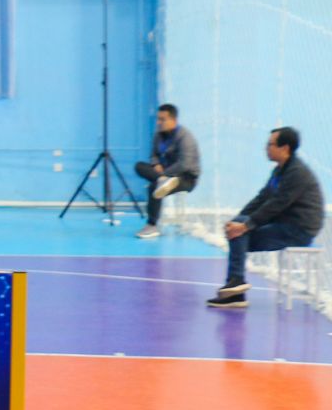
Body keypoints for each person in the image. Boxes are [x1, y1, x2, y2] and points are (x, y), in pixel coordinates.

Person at [207, 127, 323, 310]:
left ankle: (235, 288)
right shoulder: (280, 170)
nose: (266, 148)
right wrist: (237, 221)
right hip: (285, 223)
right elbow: (262, 198)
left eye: (270, 144)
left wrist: (246, 225)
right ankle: (235, 286)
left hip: (299, 230)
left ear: (285, 148)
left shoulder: (297, 173)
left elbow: (277, 204)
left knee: (240, 235)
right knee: (238, 231)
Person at [134, 103, 201, 239]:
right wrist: (156, 164)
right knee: (139, 166)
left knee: (155, 187)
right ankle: (161, 181)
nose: (159, 122)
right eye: (158, 119)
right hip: (164, 175)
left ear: (173, 120)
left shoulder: (185, 137)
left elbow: (185, 164)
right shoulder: (158, 135)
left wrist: (164, 173)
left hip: (186, 178)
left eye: (162, 119)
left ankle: (152, 225)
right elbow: (153, 155)